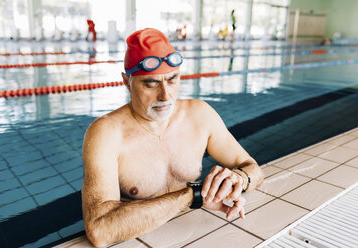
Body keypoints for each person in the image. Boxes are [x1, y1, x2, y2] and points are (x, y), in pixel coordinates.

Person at [82, 28, 264, 247]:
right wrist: (193, 196)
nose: (165, 95)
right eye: (151, 83)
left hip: (194, 231)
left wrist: (239, 179)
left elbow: (254, 169)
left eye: (172, 79)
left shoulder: (200, 115)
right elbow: (100, 230)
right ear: (126, 81)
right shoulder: (106, 133)